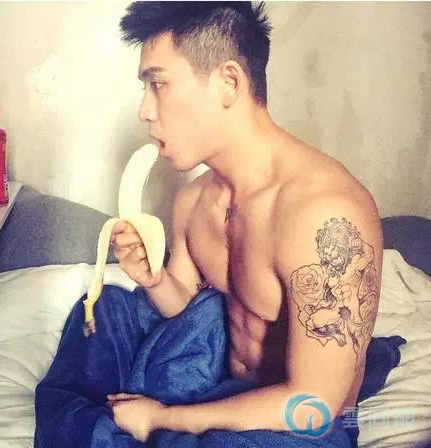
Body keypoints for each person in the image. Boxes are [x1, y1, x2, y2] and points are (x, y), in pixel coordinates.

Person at [35, 2, 390, 447]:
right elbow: (184, 308)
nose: (145, 111)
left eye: (158, 85)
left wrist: (165, 417)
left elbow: (315, 403)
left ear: (228, 83)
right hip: (218, 378)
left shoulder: (326, 215)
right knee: (106, 310)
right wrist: (155, 278)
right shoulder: (194, 199)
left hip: (293, 418)